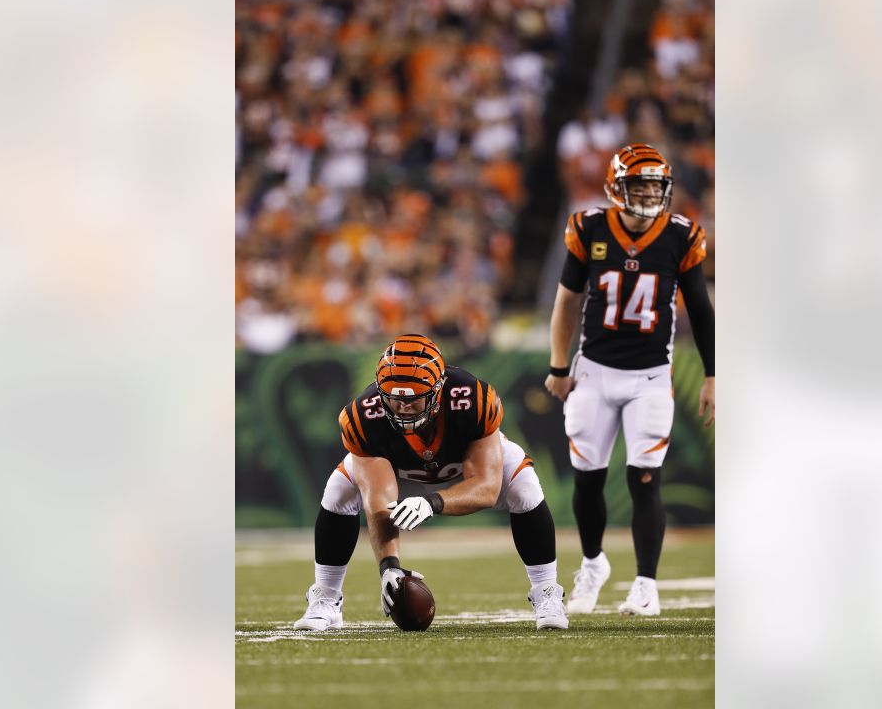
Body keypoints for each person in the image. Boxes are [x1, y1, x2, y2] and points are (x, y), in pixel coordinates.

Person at [295, 334, 568, 631]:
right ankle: (326, 598)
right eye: (394, 397)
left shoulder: (471, 399)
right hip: (401, 472)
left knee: (524, 485)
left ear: (438, 390)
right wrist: (389, 566)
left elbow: (487, 488)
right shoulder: (364, 416)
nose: (402, 407)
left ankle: (546, 591)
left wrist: (432, 502)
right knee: (338, 491)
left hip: (465, 470)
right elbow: (379, 501)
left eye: (412, 398)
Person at [544, 143, 715, 616]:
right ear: (616, 187)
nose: (646, 194)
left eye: (654, 186)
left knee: (645, 479)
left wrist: (713, 375)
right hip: (594, 372)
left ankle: (645, 584)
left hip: (651, 376)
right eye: (637, 185)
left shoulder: (681, 236)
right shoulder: (590, 228)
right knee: (587, 480)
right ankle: (594, 563)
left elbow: (701, 311)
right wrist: (560, 366)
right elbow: (566, 302)